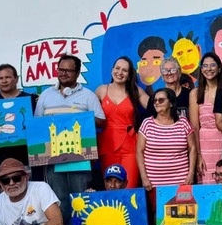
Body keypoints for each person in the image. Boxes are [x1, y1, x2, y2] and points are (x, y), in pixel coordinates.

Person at [34, 55, 107, 202]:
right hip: (52, 159)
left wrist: (83, 120)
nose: (63, 73)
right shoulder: (46, 95)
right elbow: (37, 125)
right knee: (58, 200)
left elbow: (102, 122)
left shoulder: (88, 95)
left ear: (78, 72)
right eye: (61, 69)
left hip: (80, 159)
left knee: (81, 199)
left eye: (68, 70)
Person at [96, 56, 148, 187]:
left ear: (130, 75)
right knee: (110, 186)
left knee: (129, 187)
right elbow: (87, 112)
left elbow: (155, 106)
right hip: (107, 145)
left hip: (131, 146)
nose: (120, 72)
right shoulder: (102, 90)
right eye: (117, 68)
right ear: (112, 70)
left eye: (124, 70)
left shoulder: (135, 91)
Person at [137, 88, 196, 192]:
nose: (157, 103)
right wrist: (144, 177)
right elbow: (139, 152)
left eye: (161, 100)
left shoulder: (183, 123)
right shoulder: (147, 124)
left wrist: (191, 174)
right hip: (153, 182)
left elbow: (192, 149)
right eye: (154, 101)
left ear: (171, 103)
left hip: (181, 181)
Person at [190, 52, 222, 183]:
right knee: (207, 186)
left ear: (219, 68)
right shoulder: (195, 93)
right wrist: (198, 155)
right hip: (205, 147)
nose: (208, 69)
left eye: (212, 65)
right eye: (205, 66)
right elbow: (194, 127)